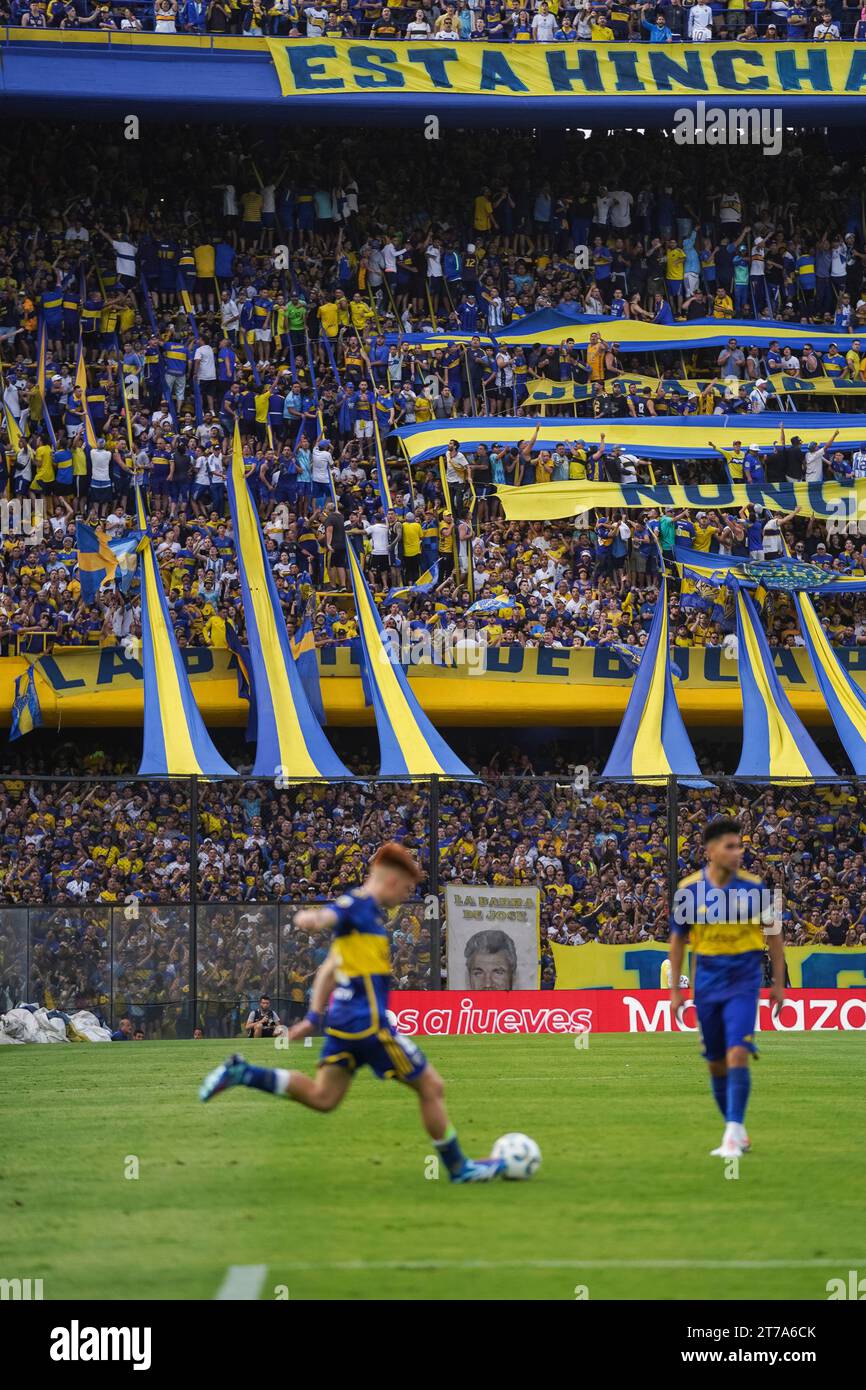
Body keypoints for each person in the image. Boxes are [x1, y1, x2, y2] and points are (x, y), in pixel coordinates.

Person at [200, 842, 504, 1183]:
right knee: (431, 1086)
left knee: (323, 1097)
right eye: (406, 889)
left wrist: (313, 1019)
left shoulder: (369, 916)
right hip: (368, 1024)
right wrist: (312, 919)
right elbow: (331, 914)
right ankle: (460, 1168)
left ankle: (244, 1073)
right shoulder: (359, 905)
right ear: (391, 880)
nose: (405, 897)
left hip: (342, 1022)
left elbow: (330, 967)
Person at [668, 818, 785, 1160]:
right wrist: (676, 990)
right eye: (731, 846)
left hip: (743, 982)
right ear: (710, 851)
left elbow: (774, 936)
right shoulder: (688, 890)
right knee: (716, 1064)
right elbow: (677, 942)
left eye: (740, 846)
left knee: (738, 1052)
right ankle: (736, 1127)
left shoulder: (755, 888)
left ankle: (732, 1134)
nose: (738, 852)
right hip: (706, 982)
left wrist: (778, 984)